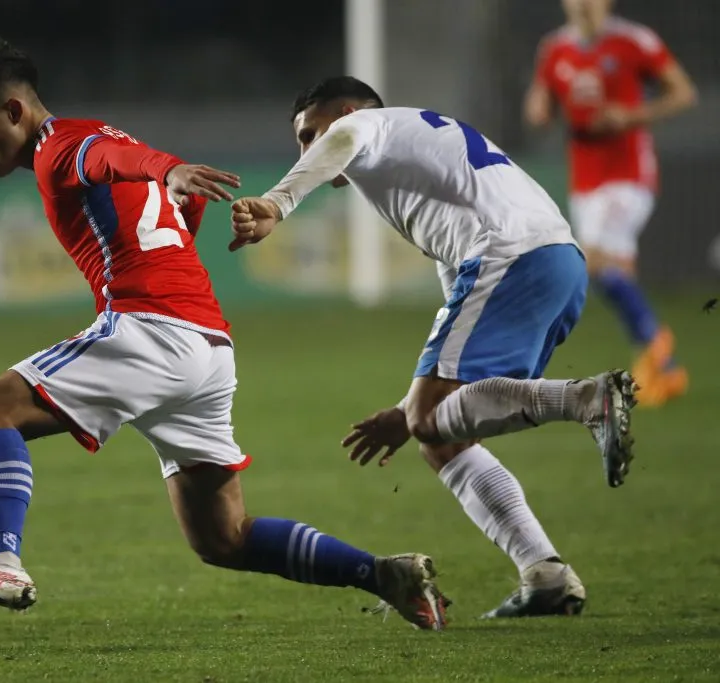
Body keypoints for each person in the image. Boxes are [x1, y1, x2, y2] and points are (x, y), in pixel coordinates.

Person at [0, 39, 448, 630]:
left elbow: (107, 163)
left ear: (14, 111)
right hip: (207, 349)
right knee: (224, 538)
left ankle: (0, 563)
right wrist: (172, 177)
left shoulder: (60, 145)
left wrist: (165, 170)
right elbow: (168, 189)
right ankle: (385, 574)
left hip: (150, 330)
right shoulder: (107, 133)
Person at [229, 76, 637, 618]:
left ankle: (586, 400)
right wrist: (408, 412)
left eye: (309, 135)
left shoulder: (365, 125)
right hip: (554, 261)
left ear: (345, 111)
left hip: (507, 256)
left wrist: (279, 203)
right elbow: (455, 304)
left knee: (431, 419)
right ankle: (545, 574)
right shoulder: (418, 159)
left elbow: (343, 137)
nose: (307, 151)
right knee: (441, 434)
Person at [524, 0, 698, 407]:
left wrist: (633, 115)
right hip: (585, 177)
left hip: (628, 173)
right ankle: (663, 365)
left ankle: (656, 342)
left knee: (593, 261)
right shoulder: (554, 48)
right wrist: (538, 108)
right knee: (611, 274)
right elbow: (540, 103)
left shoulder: (634, 41)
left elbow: (684, 93)